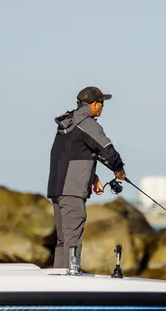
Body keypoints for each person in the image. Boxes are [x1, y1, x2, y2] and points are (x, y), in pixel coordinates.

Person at [47, 86, 126, 270]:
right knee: (72, 238)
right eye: (101, 103)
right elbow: (107, 150)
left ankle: (60, 282)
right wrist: (119, 169)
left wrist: (93, 178)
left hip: (58, 189)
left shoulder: (68, 124)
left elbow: (74, 154)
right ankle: (70, 280)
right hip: (72, 190)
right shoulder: (87, 123)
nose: (103, 107)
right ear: (94, 104)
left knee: (63, 240)